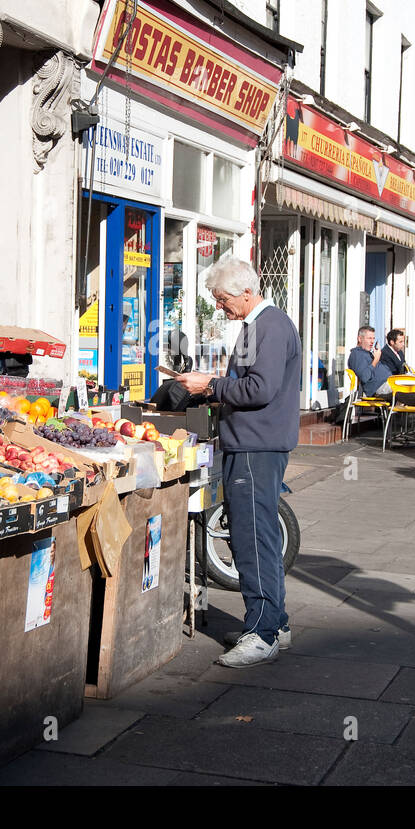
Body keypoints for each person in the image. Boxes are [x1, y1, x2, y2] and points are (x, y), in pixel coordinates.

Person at [176, 258, 300, 666]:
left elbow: (260, 388)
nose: (221, 308)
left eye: (224, 299)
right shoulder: (258, 325)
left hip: (255, 446)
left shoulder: (269, 325)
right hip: (251, 442)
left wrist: (210, 384)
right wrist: (214, 391)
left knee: (251, 539)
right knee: (254, 534)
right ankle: (273, 623)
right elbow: (251, 384)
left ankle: (261, 633)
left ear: (247, 292)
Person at [347, 325, 391, 396]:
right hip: (379, 387)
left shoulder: (367, 353)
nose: (372, 341)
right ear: (360, 339)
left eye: (373, 338)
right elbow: (364, 377)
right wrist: (375, 360)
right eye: (369, 338)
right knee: (411, 392)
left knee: (412, 385)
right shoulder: (356, 354)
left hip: (389, 382)